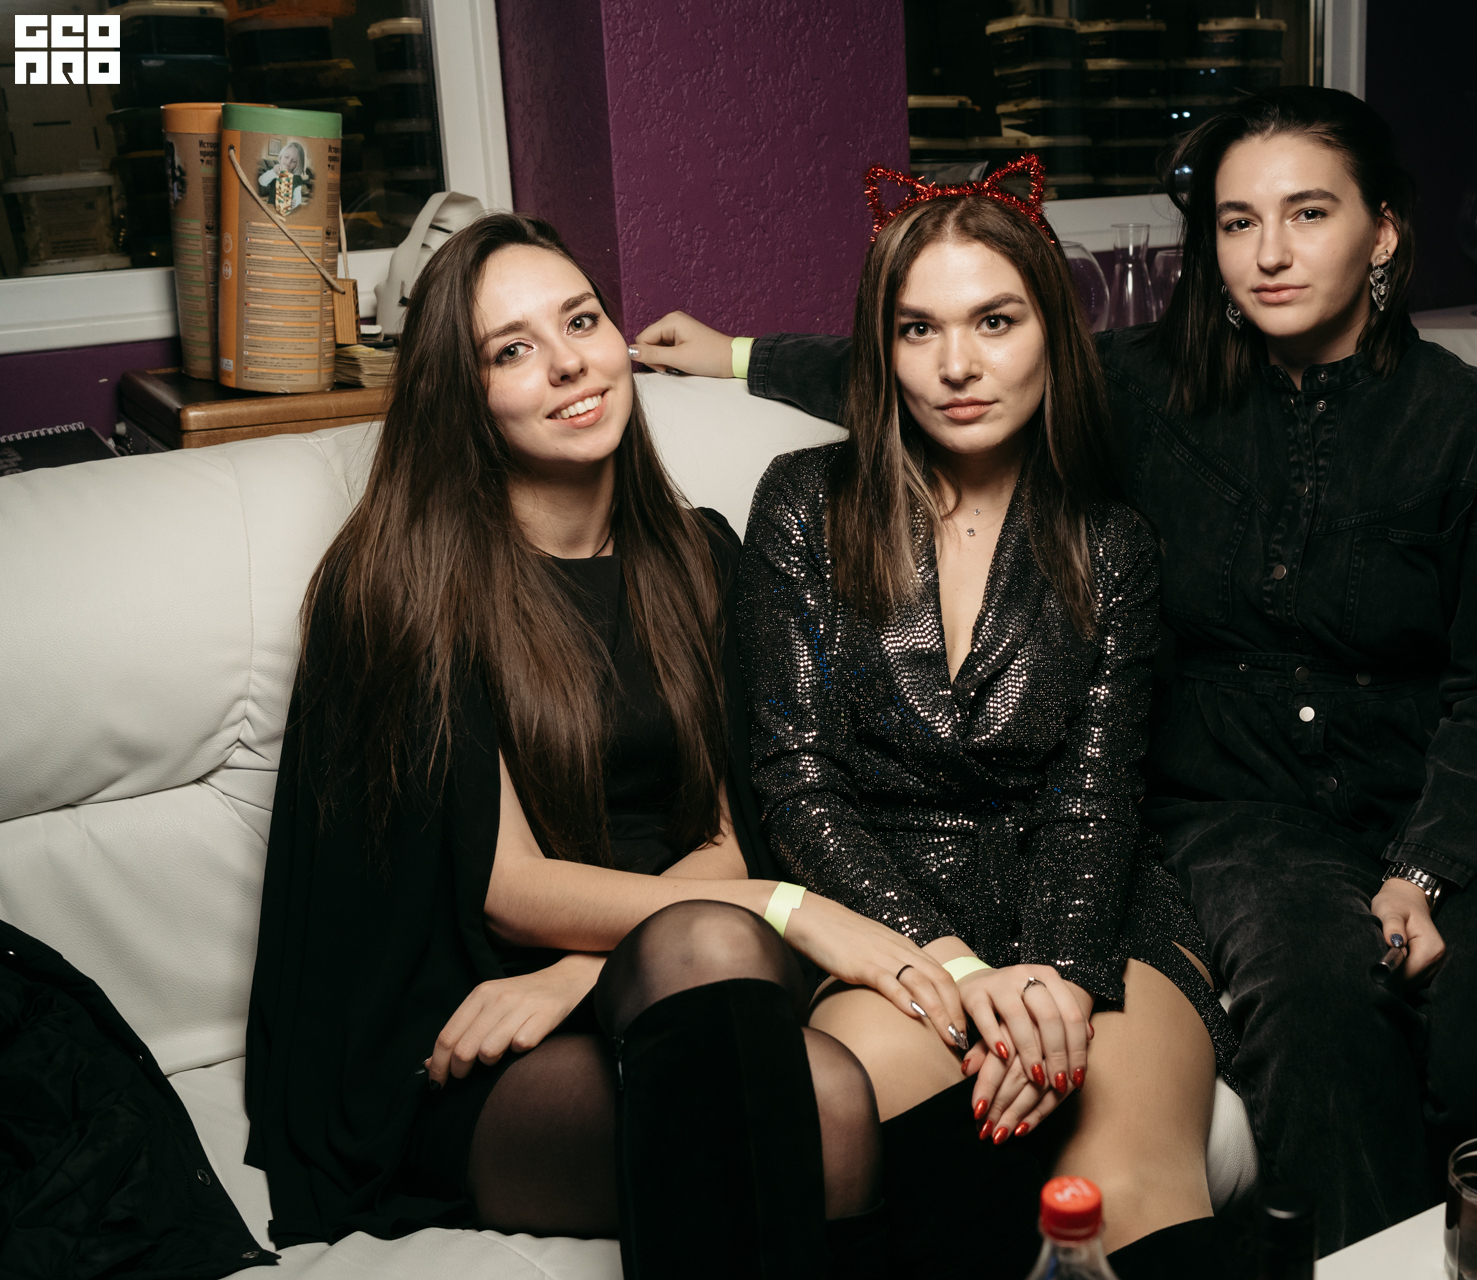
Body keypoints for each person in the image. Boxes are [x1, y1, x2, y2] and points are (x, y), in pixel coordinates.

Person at [635, 88, 1477, 1254]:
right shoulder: (1143, 387)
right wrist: (736, 354)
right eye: (1239, 221)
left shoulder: (1470, 433)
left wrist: (1425, 868)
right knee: (1318, 1014)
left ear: (1384, 230)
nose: (1271, 251)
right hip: (1236, 817)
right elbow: (940, 359)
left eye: (1309, 213)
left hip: (1426, 801)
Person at [243, 212, 971, 1278]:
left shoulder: (698, 553)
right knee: (811, 1099)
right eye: (512, 349)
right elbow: (506, 887)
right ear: (463, 396)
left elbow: (726, 839)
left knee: (763, 1004)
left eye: (580, 320)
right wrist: (788, 907)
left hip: (668, 966)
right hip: (486, 1017)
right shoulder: (402, 587)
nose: (569, 362)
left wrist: (590, 970)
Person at [641, 162, 1238, 1279]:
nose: (957, 364)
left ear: (1052, 334)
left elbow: (1095, 800)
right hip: (900, 924)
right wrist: (960, 969)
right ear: (883, 350)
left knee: (1123, 1201)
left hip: (1093, 915)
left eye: (994, 321)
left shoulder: (1113, 543)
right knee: (850, 1139)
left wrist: (1055, 977)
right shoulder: (802, 502)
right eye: (919, 329)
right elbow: (796, 783)